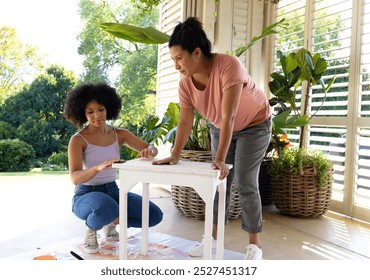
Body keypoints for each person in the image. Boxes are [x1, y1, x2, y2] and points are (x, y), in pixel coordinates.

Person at [153, 17, 271, 260]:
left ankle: (254, 246)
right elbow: (185, 121)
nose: (176, 65)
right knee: (218, 184)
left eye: (179, 58)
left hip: (255, 125)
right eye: (173, 59)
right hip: (220, 128)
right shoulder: (185, 83)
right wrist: (175, 154)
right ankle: (213, 240)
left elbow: (230, 116)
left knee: (246, 182)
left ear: (197, 52)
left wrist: (219, 159)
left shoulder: (229, 66)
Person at [63, 82, 163, 254]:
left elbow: (152, 148)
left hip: (113, 191)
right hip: (86, 194)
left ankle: (110, 222)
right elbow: (75, 177)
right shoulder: (78, 140)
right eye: (90, 112)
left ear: (108, 107)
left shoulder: (119, 134)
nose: (97, 116)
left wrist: (149, 151)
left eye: (100, 109)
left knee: (153, 215)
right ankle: (91, 228)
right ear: (82, 113)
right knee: (107, 207)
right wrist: (98, 167)